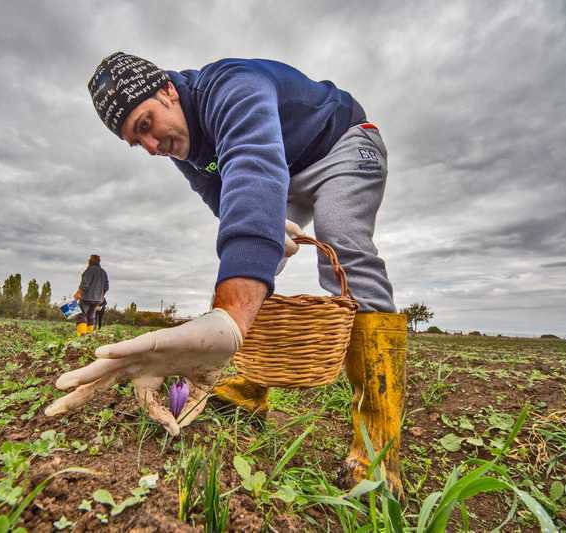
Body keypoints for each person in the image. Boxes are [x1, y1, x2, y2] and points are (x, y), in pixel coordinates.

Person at [46, 53, 407, 495]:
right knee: (252, 263)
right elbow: (227, 202)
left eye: (146, 125)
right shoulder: (184, 146)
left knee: (342, 241)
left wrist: (233, 313)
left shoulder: (234, 87)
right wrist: (255, 251)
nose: (152, 147)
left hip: (342, 144)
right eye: (137, 142)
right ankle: (248, 389)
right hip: (284, 169)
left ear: (167, 90)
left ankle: (378, 448)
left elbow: (254, 164)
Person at [74, 255, 109, 336]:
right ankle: (89, 336)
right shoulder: (103, 272)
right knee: (91, 316)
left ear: (92, 260)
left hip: (87, 297)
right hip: (97, 300)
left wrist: (78, 293)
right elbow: (106, 287)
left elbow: (85, 284)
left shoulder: (90, 269)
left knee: (81, 315)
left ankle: (82, 335)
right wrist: (101, 296)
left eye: (89, 259)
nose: (88, 261)